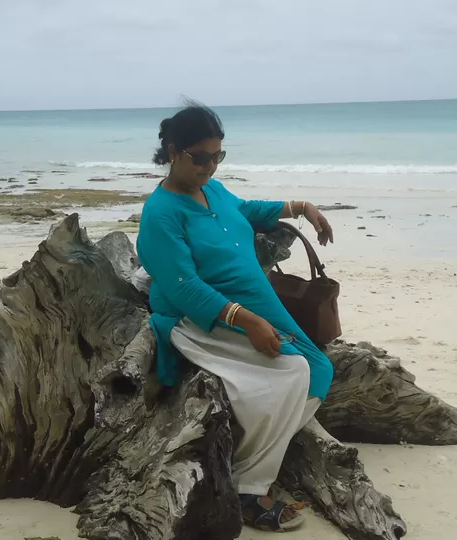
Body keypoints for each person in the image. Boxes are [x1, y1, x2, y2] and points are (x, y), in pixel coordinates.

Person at [136, 103, 336, 532]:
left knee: (318, 370)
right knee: (289, 373)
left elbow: (245, 210)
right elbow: (184, 287)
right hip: (205, 319)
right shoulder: (160, 213)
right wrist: (245, 320)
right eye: (200, 157)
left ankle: (249, 459)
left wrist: (300, 206)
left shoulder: (213, 190)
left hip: (256, 306)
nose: (210, 166)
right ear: (173, 151)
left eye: (217, 156)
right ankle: (248, 490)